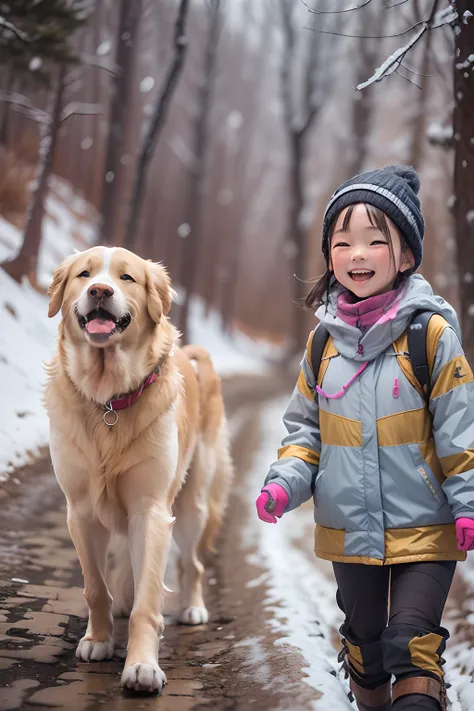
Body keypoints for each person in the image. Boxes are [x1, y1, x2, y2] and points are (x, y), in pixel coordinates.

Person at [256, 165, 474, 711]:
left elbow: (459, 429)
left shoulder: (431, 336)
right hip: (350, 531)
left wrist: (468, 502)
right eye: (343, 241)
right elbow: (305, 432)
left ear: (404, 256)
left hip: (426, 527)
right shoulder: (321, 346)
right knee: (368, 646)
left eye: (376, 241)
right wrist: (285, 482)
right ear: (329, 253)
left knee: (411, 644)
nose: (357, 254)